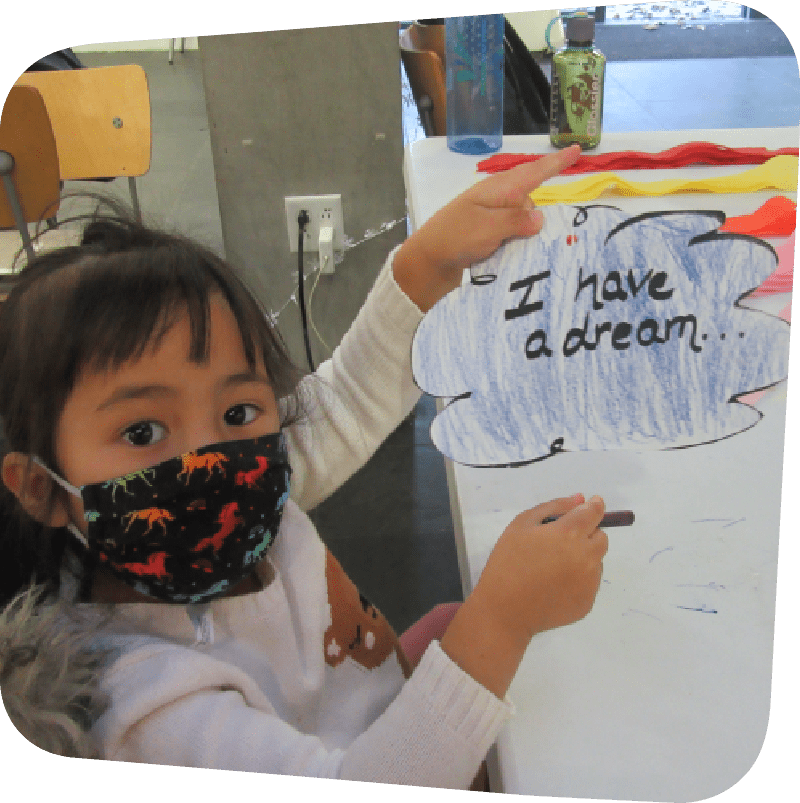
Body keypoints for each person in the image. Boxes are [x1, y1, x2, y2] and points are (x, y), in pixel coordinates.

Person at [0, 143, 608, 788]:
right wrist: (500, 625)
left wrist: (426, 264)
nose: (212, 462)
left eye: (237, 412)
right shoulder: (141, 704)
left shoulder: (245, 487)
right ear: (40, 487)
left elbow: (342, 402)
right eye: (143, 430)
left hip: (362, 715)